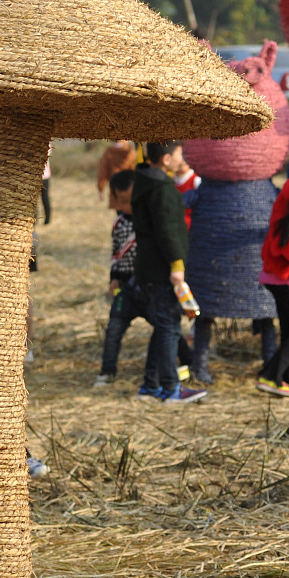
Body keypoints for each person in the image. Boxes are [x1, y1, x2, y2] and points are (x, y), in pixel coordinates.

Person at [132, 141, 206, 403]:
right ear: (165, 159)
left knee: (164, 325)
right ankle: (170, 388)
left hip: (150, 266)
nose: (182, 157)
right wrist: (176, 265)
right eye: (179, 153)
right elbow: (168, 231)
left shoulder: (146, 182)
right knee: (169, 327)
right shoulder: (162, 189)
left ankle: (150, 386)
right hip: (161, 268)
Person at [258, 177, 289, 397]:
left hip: (275, 276)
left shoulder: (288, 188)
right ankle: (271, 376)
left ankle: (286, 379)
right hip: (286, 277)